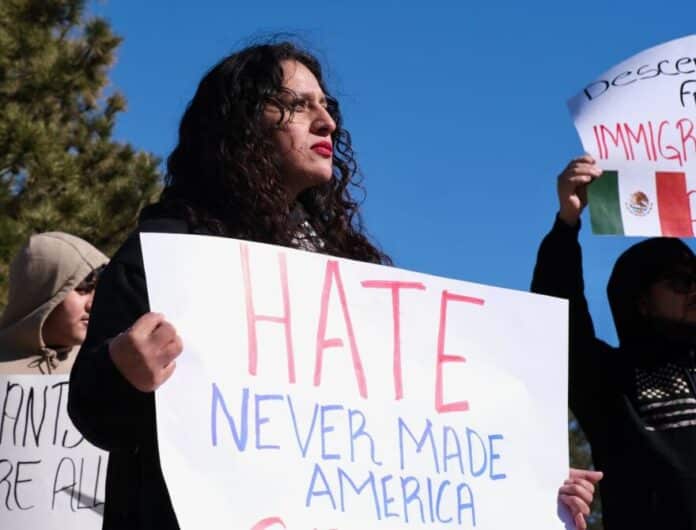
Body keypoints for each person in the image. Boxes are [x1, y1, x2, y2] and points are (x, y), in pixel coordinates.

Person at [68, 41, 599, 530]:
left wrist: (530, 482)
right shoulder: (172, 247)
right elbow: (95, 412)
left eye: (328, 107)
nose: (326, 122)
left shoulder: (348, 269)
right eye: (298, 105)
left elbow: (413, 436)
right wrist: (123, 372)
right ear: (241, 123)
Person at [532, 154, 696, 529]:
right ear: (640, 299)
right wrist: (567, 222)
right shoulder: (611, 382)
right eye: (680, 282)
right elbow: (561, 322)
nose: (694, 291)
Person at [0, 232, 107, 374]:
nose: (93, 304)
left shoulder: (105, 367)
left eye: (99, 291)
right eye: (83, 289)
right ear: (42, 292)